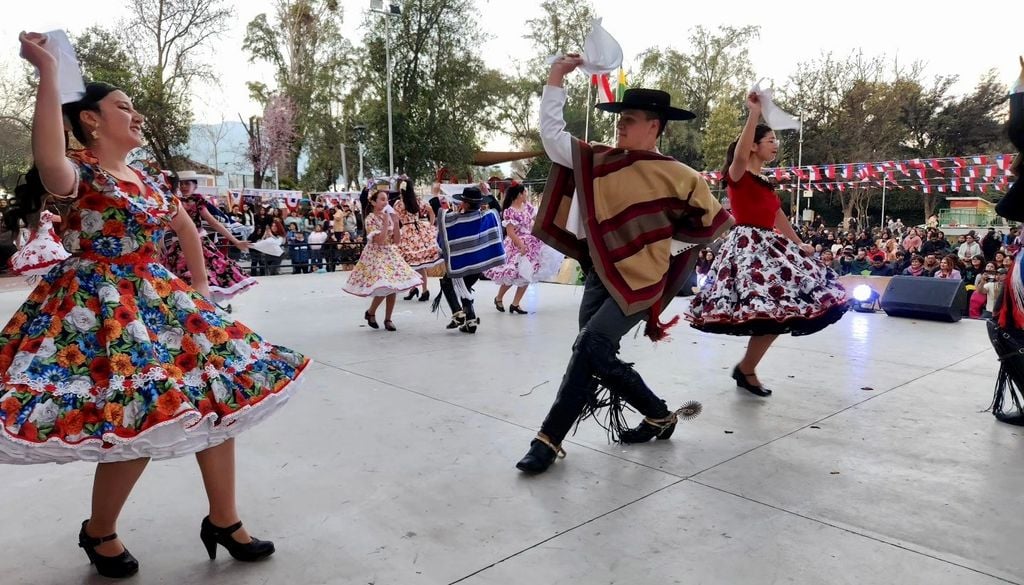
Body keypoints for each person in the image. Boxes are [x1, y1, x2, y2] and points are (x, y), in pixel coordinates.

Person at [3, 33, 309, 579]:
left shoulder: (146, 180)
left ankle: (224, 518)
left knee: (219, 400)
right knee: (140, 416)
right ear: (91, 121)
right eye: (123, 106)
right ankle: (99, 530)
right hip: (100, 312)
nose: (137, 114)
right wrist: (47, 71)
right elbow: (47, 153)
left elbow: (184, 225)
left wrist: (202, 291)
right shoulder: (78, 172)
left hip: (162, 303)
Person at [516, 54, 729, 474]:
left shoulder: (682, 176)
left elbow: (713, 223)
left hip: (640, 281)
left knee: (589, 345)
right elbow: (553, 136)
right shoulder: (600, 160)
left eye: (629, 119)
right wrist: (556, 77)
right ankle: (658, 413)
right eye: (620, 118)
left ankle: (548, 440)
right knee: (592, 353)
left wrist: (666, 252)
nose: (620, 125)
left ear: (655, 125)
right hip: (599, 273)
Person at [687, 91, 848, 398]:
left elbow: (777, 216)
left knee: (780, 313)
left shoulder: (765, 183)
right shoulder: (738, 175)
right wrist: (754, 113)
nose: (776, 144)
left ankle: (746, 369)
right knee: (771, 313)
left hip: (771, 246)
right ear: (754, 147)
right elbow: (739, 154)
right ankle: (746, 370)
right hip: (748, 249)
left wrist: (800, 243)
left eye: (775, 140)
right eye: (770, 140)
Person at [162, 171, 256, 305]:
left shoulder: (196, 200)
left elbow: (214, 222)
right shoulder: (172, 201)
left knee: (207, 275)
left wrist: (235, 241)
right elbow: (165, 226)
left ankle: (205, 308)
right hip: (177, 246)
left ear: (195, 185)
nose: (183, 186)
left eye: (187, 183)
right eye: (181, 183)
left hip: (199, 244)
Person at [341, 189, 420, 331]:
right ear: (373, 202)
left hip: (390, 254)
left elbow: (396, 241)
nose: (386, 202)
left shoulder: (389, 217)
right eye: (382, 199)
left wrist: (395, 223)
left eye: (387, 199)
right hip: (375, 256)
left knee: (392, 286)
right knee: (384, 285)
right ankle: (372, 312)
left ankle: (387, 318)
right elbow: (380, 241)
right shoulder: (370, 218)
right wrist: (385, 223)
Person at [433, 186, 506, 333]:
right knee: (464, 289)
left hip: (461, 265)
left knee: (448, 283)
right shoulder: (486, 217)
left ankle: (458, 313)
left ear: (465, 204)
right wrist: (488, 193)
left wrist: (435, 195)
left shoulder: (455, 219)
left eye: (462, 202)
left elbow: (439, 213)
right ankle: (471, 321)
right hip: (477, 267)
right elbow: (497, 209)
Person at [484, 183, 562, 314]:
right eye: (525, 192)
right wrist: (521, 245)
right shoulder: (509, 211)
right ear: (519, 194)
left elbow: (536, 219)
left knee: (527, 274)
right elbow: (510, 232)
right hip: (516, 244)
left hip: (531, 243)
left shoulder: (527, 207)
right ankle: (499, 298)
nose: (526, 194)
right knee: (512, 274)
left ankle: (515, 304)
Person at [393, 178, 443, 301]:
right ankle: (423, 290)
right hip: (419, 230)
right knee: (420, 264)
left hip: (406, 232)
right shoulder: (418, 201)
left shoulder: (398, 204)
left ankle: (414, 288)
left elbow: (394, 220)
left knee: (408, 264)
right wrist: (431, 225)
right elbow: (432, 212)